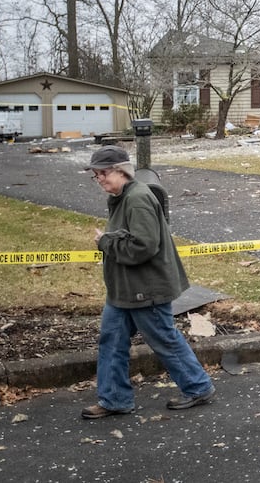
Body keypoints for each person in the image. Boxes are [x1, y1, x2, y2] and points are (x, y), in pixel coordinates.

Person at [81, 145, 214, 419]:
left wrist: (105, 242)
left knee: (164, 339)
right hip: (124, 290)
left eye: (103, 173)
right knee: (111, 341)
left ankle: (198, 387)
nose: (100, 180)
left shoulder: (138, 198)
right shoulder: (121, 197)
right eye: (96, 175)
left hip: (146, 289)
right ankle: (115, 399)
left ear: (121, 171)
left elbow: (144, 246)